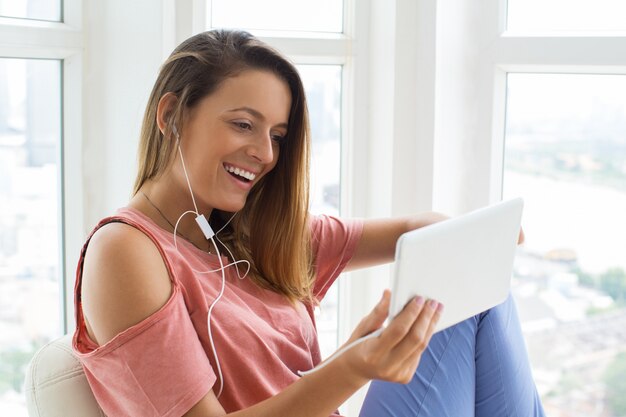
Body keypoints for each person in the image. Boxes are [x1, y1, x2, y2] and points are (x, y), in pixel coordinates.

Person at [72, 29, 545, 417]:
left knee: (476, 287)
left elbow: (414, 229)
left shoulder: (251, 235)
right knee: (473, 294)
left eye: (277, 135)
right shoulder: (126, 249)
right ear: (171, 114)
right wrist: (353, 368)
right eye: (242, 124)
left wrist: (471, 236)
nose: (265, 153)